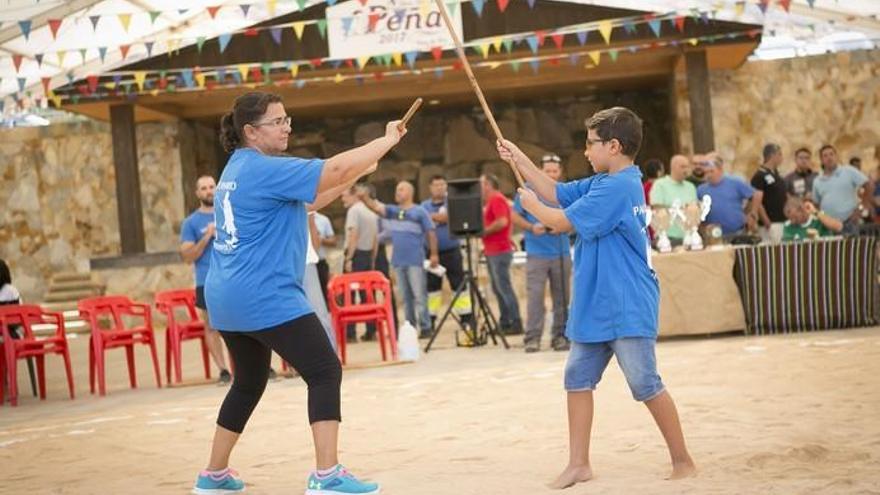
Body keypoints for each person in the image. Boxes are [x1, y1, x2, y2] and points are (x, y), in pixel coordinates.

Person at [194, 91, 405, 495]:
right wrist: (387, 140)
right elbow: (335, 167)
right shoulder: (263, 169)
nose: (287, 126)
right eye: (278, 121)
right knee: (325, 370)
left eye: (287, 119)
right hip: (263, 293)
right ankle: (326, 475)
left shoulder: (237, 169)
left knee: (249, 382)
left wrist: (355, 173)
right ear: (251, 132)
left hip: (229, 297)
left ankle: (214, 474)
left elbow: (312, 199)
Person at [497, 106, 696, 489]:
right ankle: (578, 464)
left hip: (624, 302)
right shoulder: (605, 181)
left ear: (614, 146)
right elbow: (555, 191)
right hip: (596, 302)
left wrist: (530, 205)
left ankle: (683, 459)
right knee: (577, 377)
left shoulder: (618, 186)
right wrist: (517, 156)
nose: (586, 152)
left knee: (645, 382)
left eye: (591, 144)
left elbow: (557, 218)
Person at [360, 181, 438, 339]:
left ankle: (426, 327)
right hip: (398, 261)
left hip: (415, 260)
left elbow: (431, 233)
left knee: (419, 295)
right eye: (397, 189)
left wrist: (434, 254)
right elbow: (376, 207)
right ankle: (411, 327)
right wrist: (364, 198)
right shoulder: (393, 211)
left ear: (410, 192)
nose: (398, 192)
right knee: (405, 297)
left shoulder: (419, 212)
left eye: (401, 189)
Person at [511, 154, 571, 353]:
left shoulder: (566, 191)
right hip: (537, 252)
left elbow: (579, 216)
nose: (552, 174)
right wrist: (530, 226)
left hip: (561, 251)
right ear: (540, 170)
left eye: (555, 170)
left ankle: (561, 336)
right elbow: (513, 215)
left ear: (560, 171)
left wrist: (563, 227)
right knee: (535, 296)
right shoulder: (528, 189)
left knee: (562, 297)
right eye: (548, 171)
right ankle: (533, 337)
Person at [179, 175, 232, 384]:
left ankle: (252, 368)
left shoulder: (228, 212)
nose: (209, 191)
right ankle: (223, 370)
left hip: (232, 278)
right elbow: (186, 256)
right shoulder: (191, 223)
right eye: (204, 188)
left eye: (212, 187)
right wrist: (207, 237)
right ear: (197, 193)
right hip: (206, 281)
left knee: (242, 323)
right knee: (211, 326)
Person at [420, 175, 473, 331]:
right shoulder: (424, 205)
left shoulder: (452, 203)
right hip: (431, 253)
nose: (440, 188)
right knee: (432, 290)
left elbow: (451, 217)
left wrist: (433, 218)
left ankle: (466, 319)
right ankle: (431, 321)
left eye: (443, 185)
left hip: (452, 251)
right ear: (430, 187)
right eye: (436, 185)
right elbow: (424, 221)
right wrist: (438, 218)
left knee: (459, 286)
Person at [481, 173, 523, 335]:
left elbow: (502, 221)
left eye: (482, 184)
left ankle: (515, 321)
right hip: (492, 250)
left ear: (488, 185)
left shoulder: (497, 199)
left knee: (503, 287)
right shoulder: (492, 201)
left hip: (500, 249)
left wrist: (484, 231)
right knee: (498, 288)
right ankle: (505, 321)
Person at [696, 152, 761, 238]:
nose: (709, 175)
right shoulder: (701, 190)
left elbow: (757, 195)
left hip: (738, 232)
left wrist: (752, 214)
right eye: (706, 172)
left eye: (711, 171)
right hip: (713, 235)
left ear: (720, 170)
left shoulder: (735, 182)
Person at [813, 144, 872, 235]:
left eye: (831, 154)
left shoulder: (849, 171)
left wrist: (860, 209)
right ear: (821, 160)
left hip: (849, 222)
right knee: (829, 249)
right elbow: (816, 204)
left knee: (851, 249)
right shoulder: (817, 181)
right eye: (825, 155)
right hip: (827, 225)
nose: (829, 157)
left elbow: (869, 185)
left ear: (836, 156)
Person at [649, 154, 698, 245]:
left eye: (687, 166)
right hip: (667, 238)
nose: (686, 170)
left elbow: (694, 210)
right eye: (683, 166)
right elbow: (657, 209)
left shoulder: (691, 187)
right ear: (673, 167)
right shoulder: (660, 185)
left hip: (689, 237)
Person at [750, 143, 788, 244]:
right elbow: (757, 201)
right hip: (770, 223)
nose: (781, 158)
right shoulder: (759, 175)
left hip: (783, 221)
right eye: (780, 154)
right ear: (772, 155)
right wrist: (766, 220)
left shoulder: (777, 174)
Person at [313, 211, 336, 305]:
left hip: (321, 262)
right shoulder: (298, 218)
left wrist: (321, 239)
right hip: (305, 264)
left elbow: (333, 241)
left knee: (324, 293)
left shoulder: (323, 219)